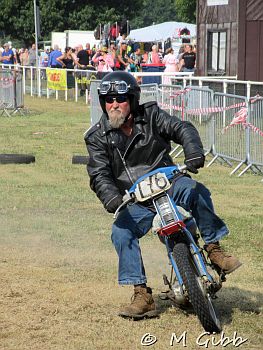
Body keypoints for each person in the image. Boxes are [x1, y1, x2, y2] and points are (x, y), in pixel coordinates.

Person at [84, 71, 242, 319]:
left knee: (194, 190)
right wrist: (111, 198)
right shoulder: (97, 137)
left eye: (120, 98)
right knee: (121, 231)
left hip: (169, 182)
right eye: (108, 99)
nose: (113, 104)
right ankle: (141, 294)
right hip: (135, 198)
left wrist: (193, 151)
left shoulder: (151, 116)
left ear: (133, 99)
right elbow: (99, 173)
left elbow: (182, 128)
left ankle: (213, 248)